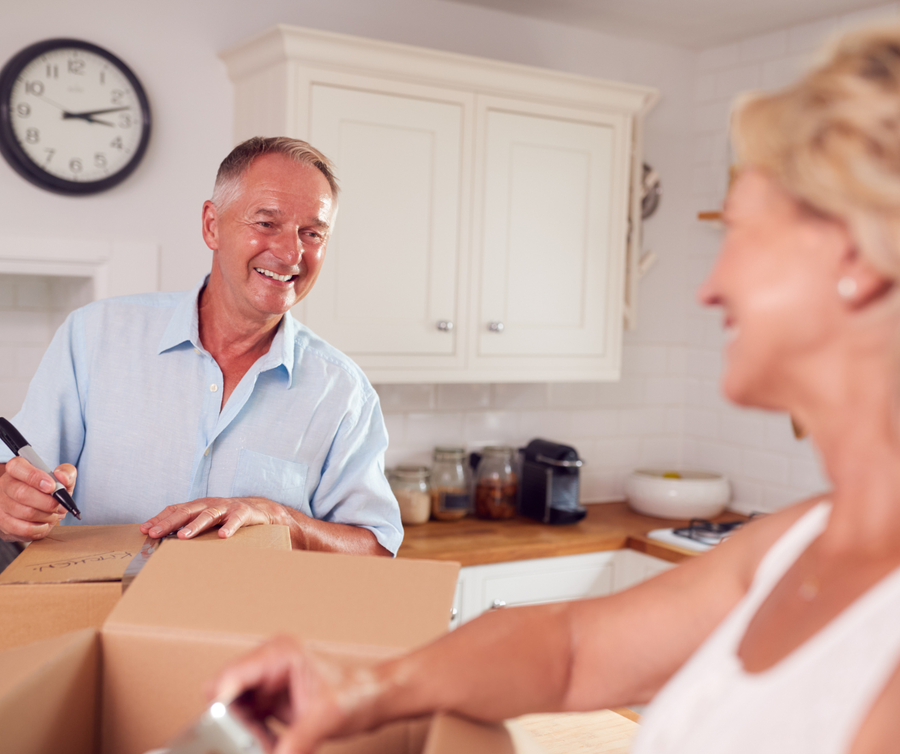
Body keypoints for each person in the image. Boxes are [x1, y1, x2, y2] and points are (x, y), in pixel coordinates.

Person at [209, 25, 900, 753]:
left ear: (853, 258)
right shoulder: (798, 543)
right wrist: (360, 688)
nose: (710, 286)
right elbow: (570, 650)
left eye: (743, 236)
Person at [0, 137, 401, 557]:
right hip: (92, 616)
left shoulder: (343, 391)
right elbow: (18, 481)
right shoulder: (93, 336)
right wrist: (12, 504)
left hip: (249, 621)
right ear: (212, 225)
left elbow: (376, 548)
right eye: (266, 223)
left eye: (312, 233)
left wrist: (283, 520)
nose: (290, 252)